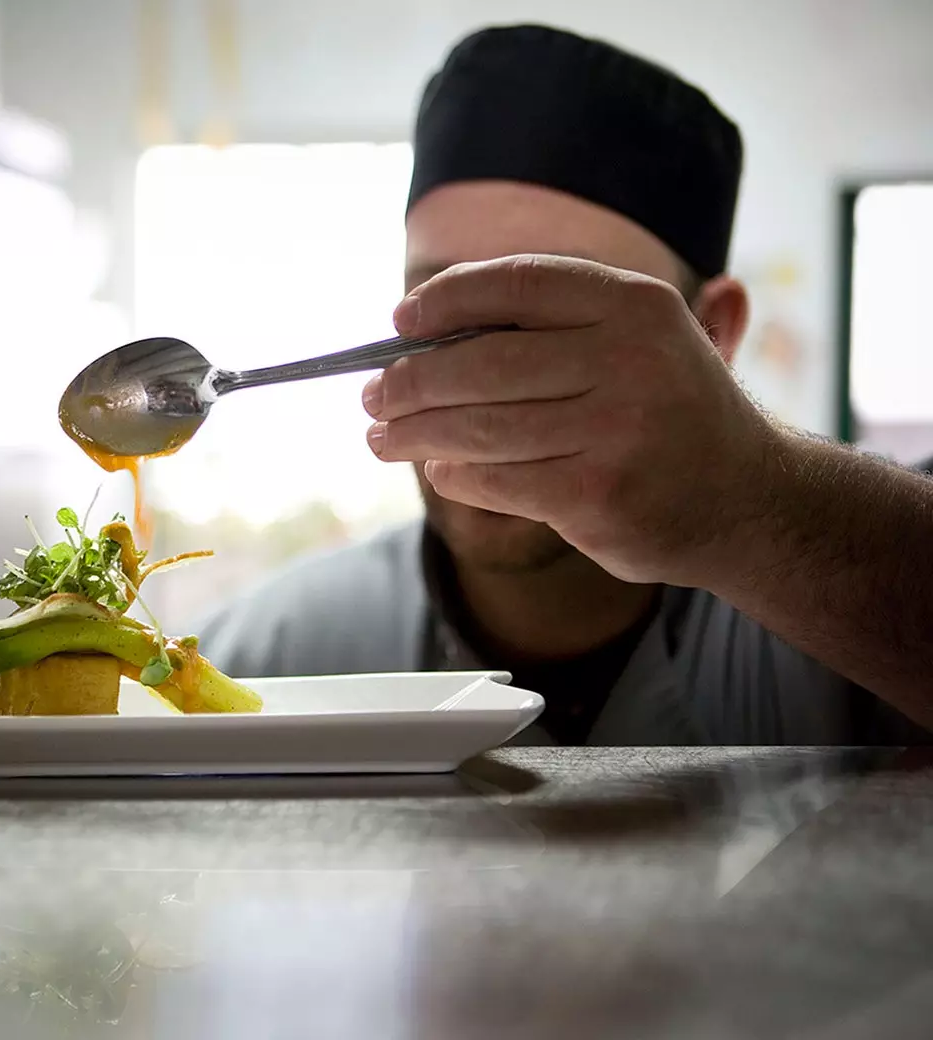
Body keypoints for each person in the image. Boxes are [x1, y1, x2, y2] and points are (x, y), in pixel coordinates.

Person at [197, 24, 933, 745]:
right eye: (437, 311)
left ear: (714, 334)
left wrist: (753, 501)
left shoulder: (859, 632)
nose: (479, 376)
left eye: (546, 316)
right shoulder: (269, 663)